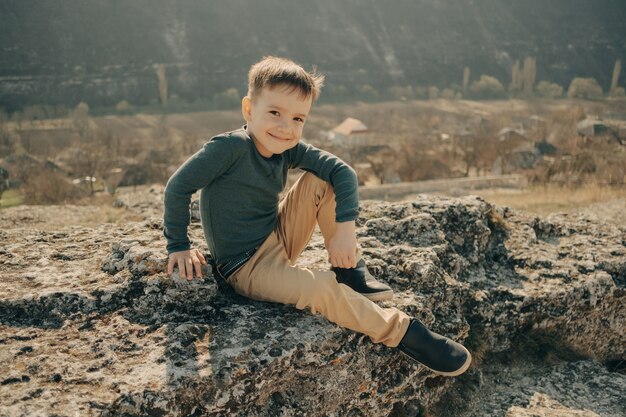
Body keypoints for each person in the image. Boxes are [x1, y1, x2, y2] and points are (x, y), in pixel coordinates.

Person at [163, 56, 471, 376]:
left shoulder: (287, 148)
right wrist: (179, 245)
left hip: (277, 236)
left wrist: (345, 231)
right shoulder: (228, 148)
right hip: (246, 266)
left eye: (298, 118)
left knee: (323, 180)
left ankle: (349, 271)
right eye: (274, 113)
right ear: (248, 109)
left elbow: (343, 172)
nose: (286, 127)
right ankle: (407, 334)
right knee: (321, 290)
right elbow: (177, 187)